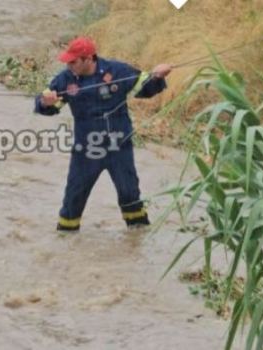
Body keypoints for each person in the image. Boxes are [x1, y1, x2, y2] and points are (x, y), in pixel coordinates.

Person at [35, 37, 172, 232]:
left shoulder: (117, 71)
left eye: (73, 61)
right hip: (87, 149)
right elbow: (44, 105)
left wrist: (157, 76)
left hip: (119, 147)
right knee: (74, 197)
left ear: (88, 58)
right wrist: (45, 103)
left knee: (129, 194)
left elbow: (146, 88)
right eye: (67, 61)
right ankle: (66, 242)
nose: (69, 65)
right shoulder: (65, 79)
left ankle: (138, 238)